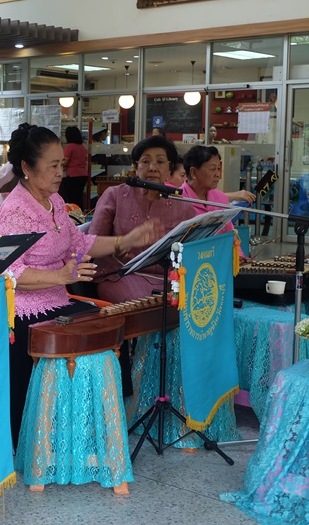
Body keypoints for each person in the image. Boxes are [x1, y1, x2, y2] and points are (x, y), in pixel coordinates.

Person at [0, 124, 152, 494]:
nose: (61, 173)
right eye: (52, 166)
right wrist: (59, 275)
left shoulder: (56, 203)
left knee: (110, 331)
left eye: (62, 165)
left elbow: (79, 243)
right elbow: (8, 271)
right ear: (27, 168)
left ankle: (84, 436)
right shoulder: (15, 211)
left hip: (58, 302)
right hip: (24, 312)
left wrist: (123, 241)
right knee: (88, 339)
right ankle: (44, 442)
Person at [88, 136, 239, 449]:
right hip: (119, 274)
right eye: (145, 161)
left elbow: (190, 251)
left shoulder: (181, 204)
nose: (152, 167)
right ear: (135, 166)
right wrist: (123, 244)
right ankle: (134, 397)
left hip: (164, 277)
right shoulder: (115, 194)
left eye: (160, 162)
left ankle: (182, 402)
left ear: (171, 170)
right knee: (148, 307)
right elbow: (90, 243)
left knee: (194, 307)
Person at [60, 126, 89, 208]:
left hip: (73, 175)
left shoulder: (70, 146)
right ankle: (80, 212)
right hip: (83, 175)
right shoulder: (82, 147)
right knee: (79, 197)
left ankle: (73, 213)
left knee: (71, 198)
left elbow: (65, 162)